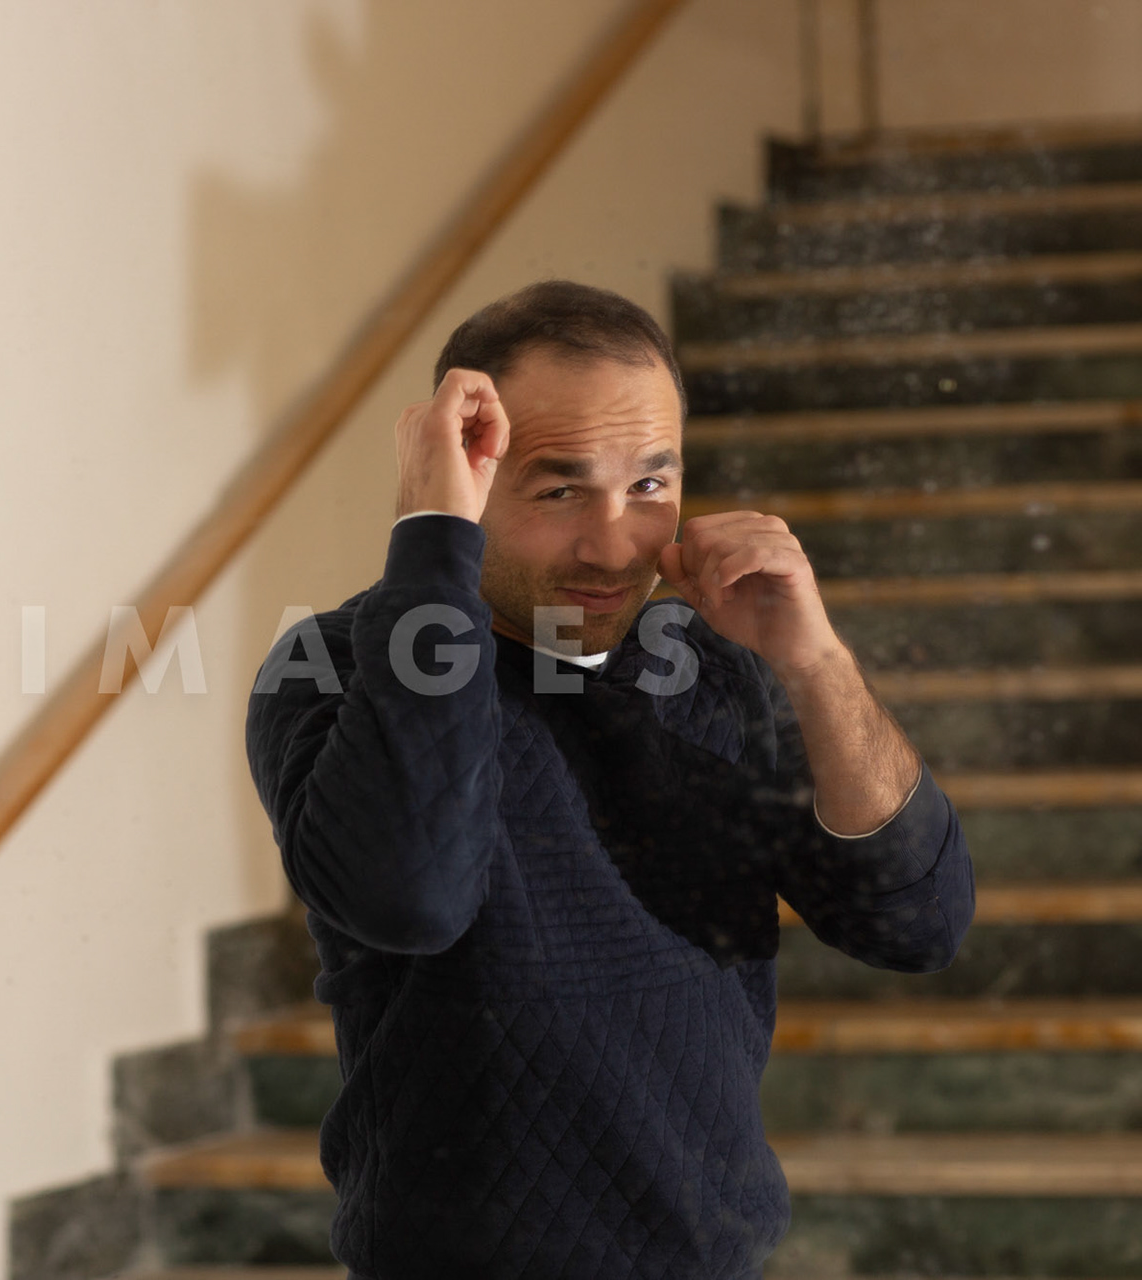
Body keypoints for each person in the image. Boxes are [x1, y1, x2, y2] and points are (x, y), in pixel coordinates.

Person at [245, 280, 975, 1279]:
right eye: (559, 490)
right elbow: (411, 895)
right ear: (467, 481)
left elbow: (919, 921)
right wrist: (430, 545)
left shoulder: (712, 662)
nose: (614, 543)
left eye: (649, 484)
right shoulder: (327, 667)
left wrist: (815, 661)